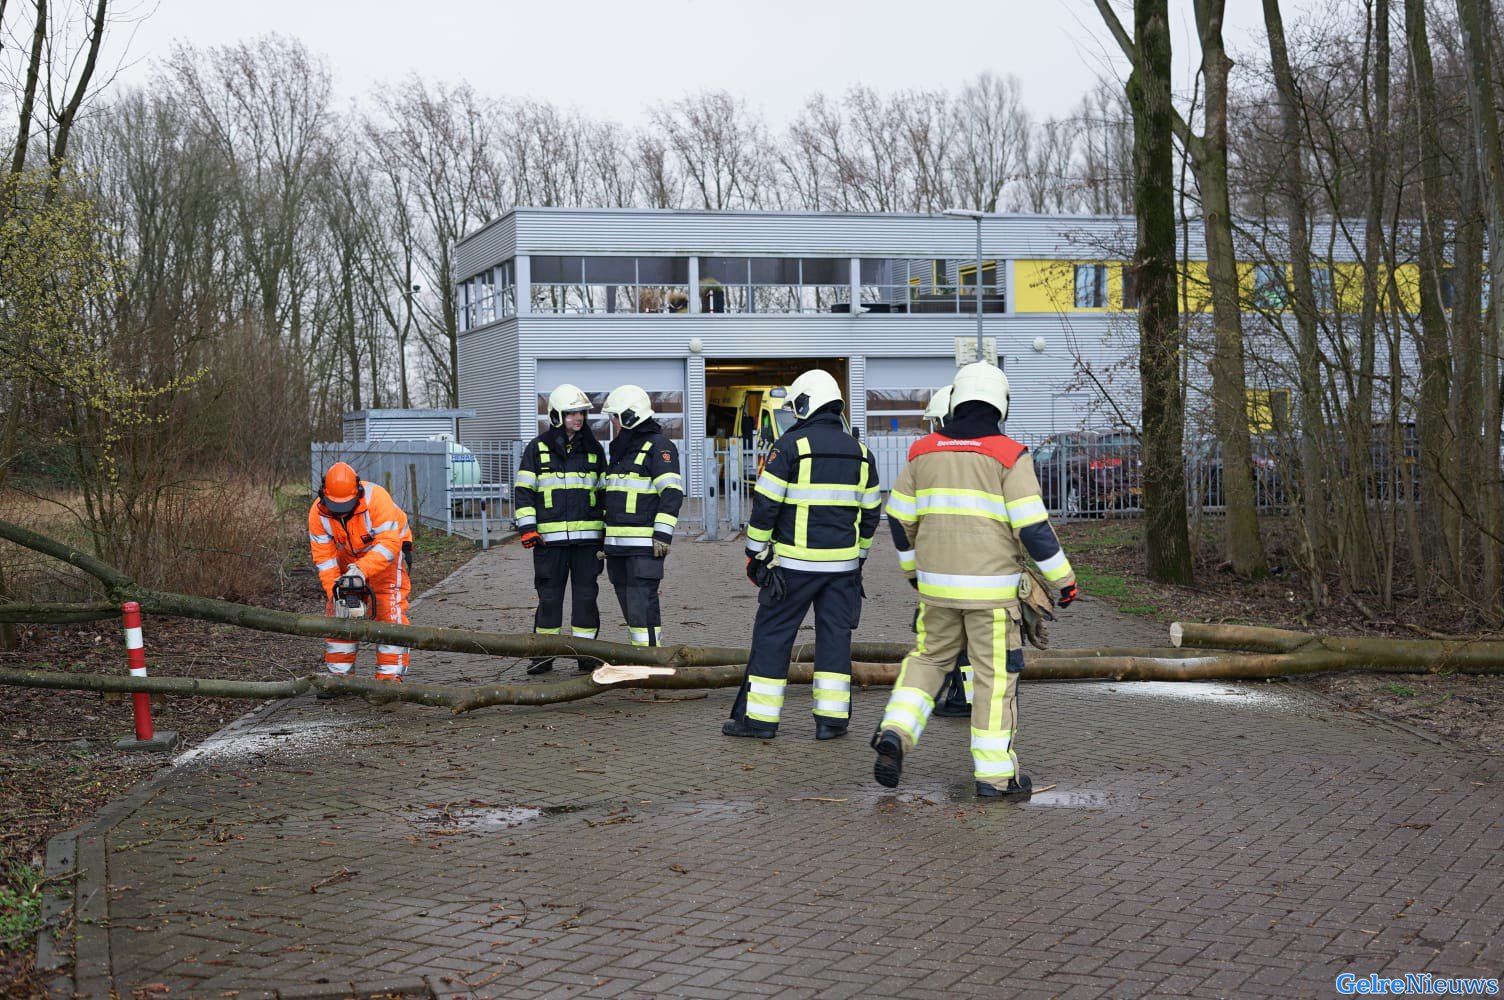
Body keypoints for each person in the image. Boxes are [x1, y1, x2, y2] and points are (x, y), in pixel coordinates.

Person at [872, 363, 1079, 798]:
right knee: (993, 679)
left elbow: (898, 518)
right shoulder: (1008, 455)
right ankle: (996, 776)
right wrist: (1064, 581)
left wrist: (912, 571)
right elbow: (1033, 529)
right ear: (1000, 403)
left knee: (928, 661)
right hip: (992, 596)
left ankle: (895, 730)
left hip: (936, 591)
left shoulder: (921, 451)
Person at [723, 369, 882, 741]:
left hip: (792, 569)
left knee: (773, 636)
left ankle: (759, 721)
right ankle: (831, 721)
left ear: (806, 404)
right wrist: (857, 557)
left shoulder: (790, 447)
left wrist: (755, 552)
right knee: (834, 639)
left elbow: (765, 506)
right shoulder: (862, 453)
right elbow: (871, 514)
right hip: (842, 571)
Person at [514, 383, 607, 674]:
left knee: (586, 599)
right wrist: (528, 528)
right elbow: (524, 491)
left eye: (580, 413)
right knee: (550, 599)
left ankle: (586, 655)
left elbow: (604, 494)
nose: (578, 418)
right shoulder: (537, 449)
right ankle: (543, 655)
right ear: (556, 415)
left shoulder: (593, 450)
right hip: (548, 543)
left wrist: (606, 535)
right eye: (571, 413)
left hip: (587, 543)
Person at [308, 461, 414, 681]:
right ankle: (339, 678)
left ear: (357, 492)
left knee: (388, 611)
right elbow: (325, 560)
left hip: (386, 554)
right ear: (324, 494)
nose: (340, 511)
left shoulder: (377, 499)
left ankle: (389, 679)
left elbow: (388, 544)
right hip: (348, 554)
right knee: (339, 612)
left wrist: (361, 570)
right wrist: (336, 594)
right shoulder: (317, 514)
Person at [600, 385, 683, 647]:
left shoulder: (659, 447)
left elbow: (671, 492)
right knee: (630, 608)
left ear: (628, 416)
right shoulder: (621, 448)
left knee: (642, 606)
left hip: (644, 546)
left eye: (614, 417)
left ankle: (650, 659)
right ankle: (641, 658)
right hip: (617, 547)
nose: (612, 422)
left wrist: (662, 535)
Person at [920, 385, 973, 719]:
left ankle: (964, 698)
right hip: (980, 565)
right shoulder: (985, 454)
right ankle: (965, 695)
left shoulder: (940, 459)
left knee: (959, 638)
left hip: (953, 566)